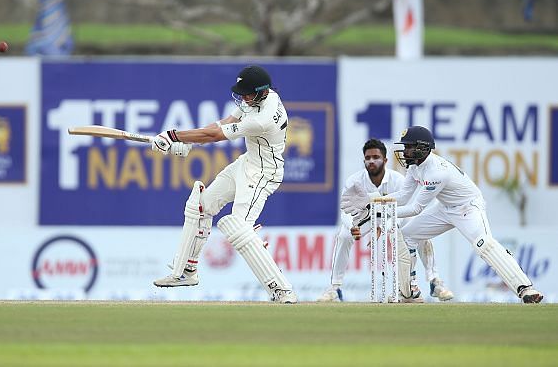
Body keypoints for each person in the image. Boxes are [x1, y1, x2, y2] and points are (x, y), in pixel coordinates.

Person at [344, 125, 543, 304]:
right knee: (407, 235)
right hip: (444, 207)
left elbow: (415, 209)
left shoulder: (436, 173)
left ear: (422, 148)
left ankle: (526, 288)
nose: (404, 152)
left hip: (467, 207)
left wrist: (381, 213)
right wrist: (375, 200)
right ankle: (409, 292)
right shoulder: (415, 167)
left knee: (483, 243)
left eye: (408, 147)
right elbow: (404, 197)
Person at [150, 65, 297, 304]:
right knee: (201, 205)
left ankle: (282, 290)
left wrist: (174, 136)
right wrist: (187, 142)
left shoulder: (263, 119)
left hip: (263, 173)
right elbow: (222, 124)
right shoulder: (257, 99)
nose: (244, 98)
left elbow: (215, 136)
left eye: (248, 93)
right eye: (242, 93)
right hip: (246, 163)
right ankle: (187, 271)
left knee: (238, 228)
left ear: (262, 91)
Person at [317, 139, 454, 303]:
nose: (371, 161)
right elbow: (345, 209)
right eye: (367, 158)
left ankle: (435, 281)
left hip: (393, 217)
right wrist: (352, 226)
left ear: (385, 160)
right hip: (365, 218)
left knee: (418, 230)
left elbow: (406, 208)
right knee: (344, 236)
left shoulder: (398, 180)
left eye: (376, 157)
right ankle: (334, 288)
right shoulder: (354, 181)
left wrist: (385, 226)